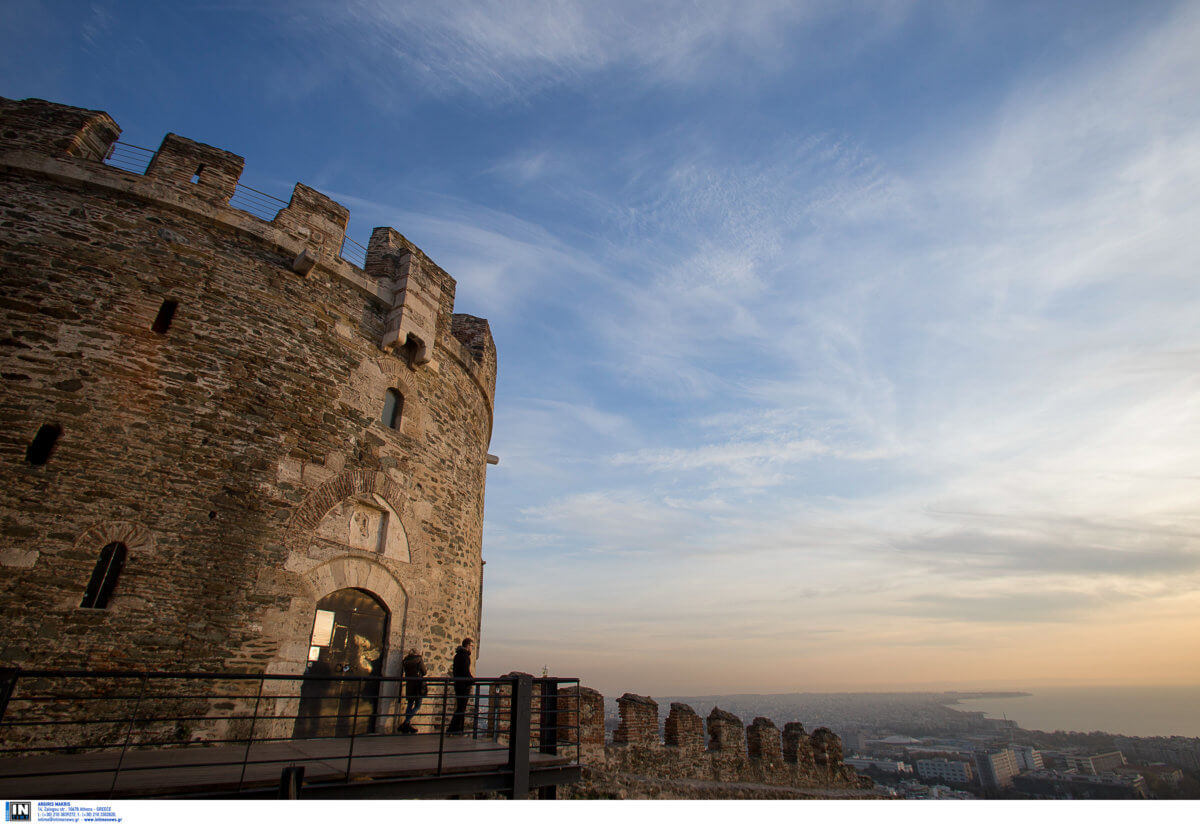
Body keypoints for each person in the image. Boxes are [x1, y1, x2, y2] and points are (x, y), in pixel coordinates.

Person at [447, 638, 474, 734]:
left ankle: (458, 729)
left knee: (460, 707)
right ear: (467, 645)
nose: (472, 648)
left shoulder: (458, 655)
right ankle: (453, 729)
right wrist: (472, 680)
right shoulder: (464, 656)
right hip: (463, 685)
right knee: (461, 708)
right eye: (471, 646)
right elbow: (465, 671)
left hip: (458, 684)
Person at [399, 648, 426, 734]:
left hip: (409, 684)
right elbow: (424, 671)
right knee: (418, 705)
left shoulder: (406, 661)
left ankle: (407, 725)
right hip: (418, 685)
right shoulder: (419, 659)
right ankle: (406, 722)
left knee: (410, 704)